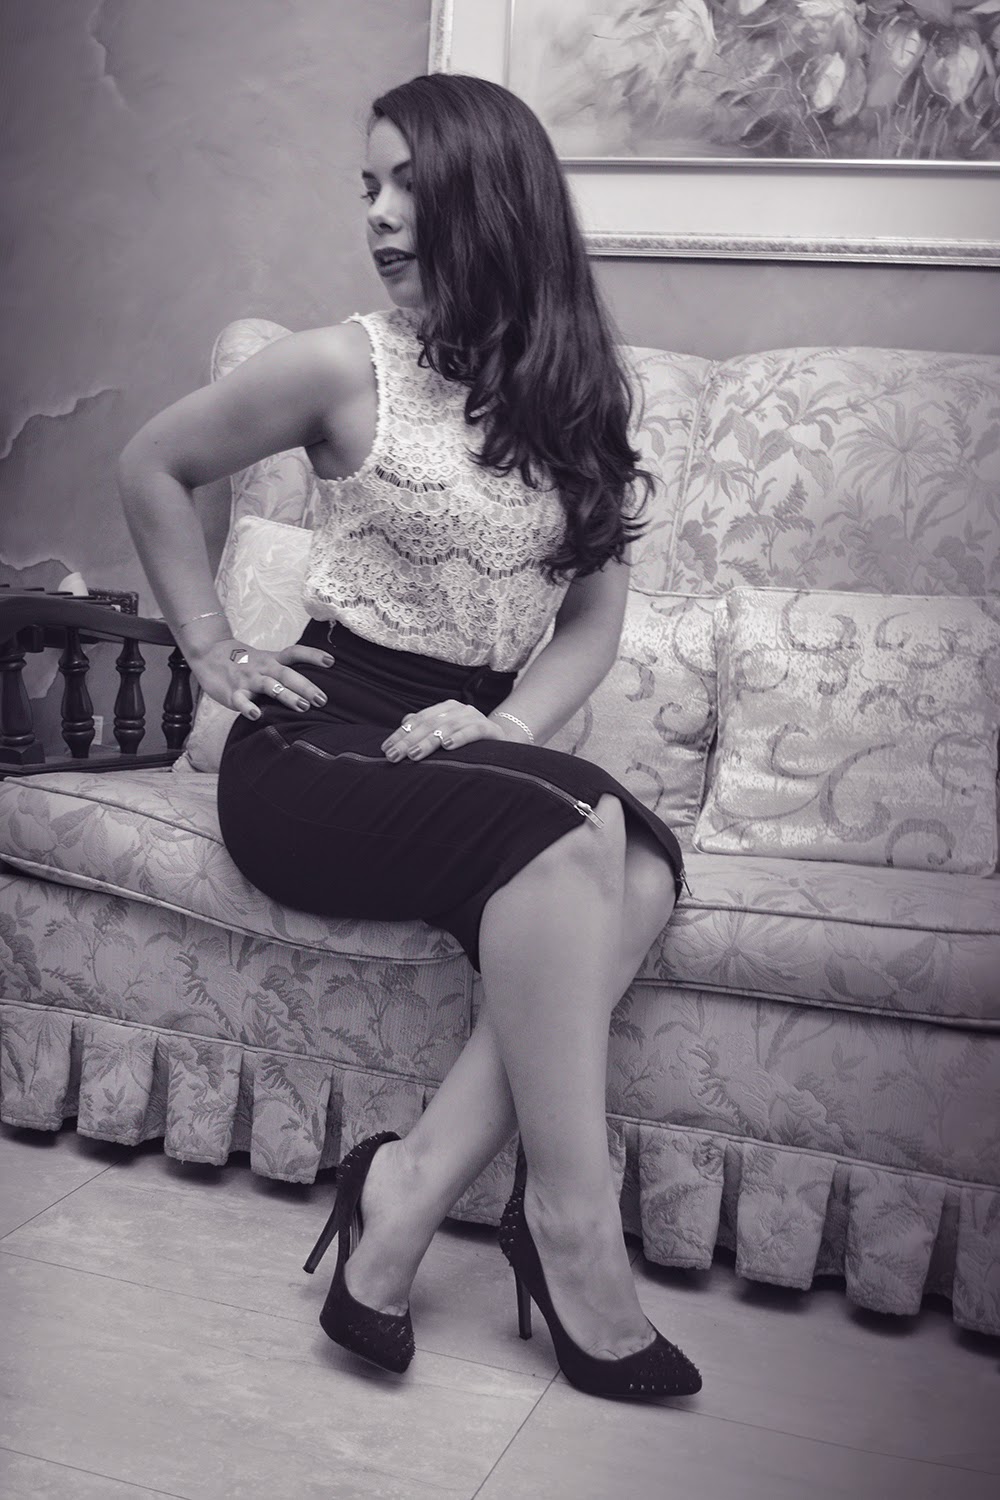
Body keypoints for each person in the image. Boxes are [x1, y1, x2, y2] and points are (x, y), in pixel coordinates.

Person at [118, 72, 701, 1401]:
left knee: (641, 863)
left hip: (457, 737)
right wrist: (213, 650)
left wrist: (500, 722)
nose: (376, 214)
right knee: (585, 834)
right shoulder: (343, 363)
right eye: (366, 187)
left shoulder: (578, 389)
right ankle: (574, 1232)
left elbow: (593, 616)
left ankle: (406, 1193)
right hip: (317, 745)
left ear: (492, 201)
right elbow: (150, 462)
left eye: (405, 186)